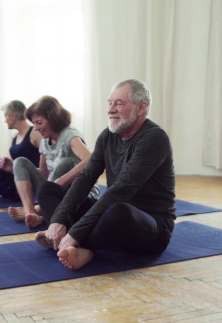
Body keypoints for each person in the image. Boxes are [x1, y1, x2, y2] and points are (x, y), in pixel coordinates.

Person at [34, 79, 176, 270]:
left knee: (119, 210)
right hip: (111, 213)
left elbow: (121, 190)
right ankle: (68, 240)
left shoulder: (154, 138)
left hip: (149, 227)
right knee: (48, 189)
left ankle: (80, 246)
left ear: (141, 107)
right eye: (110, 103)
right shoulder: (108, 136)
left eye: (119, 103)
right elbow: (86, 178)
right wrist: (58, 219)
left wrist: (75, 232)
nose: (110, 110)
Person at [9, 96, 100, 229]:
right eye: (34, 123)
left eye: (39, 123)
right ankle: (31, 213)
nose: (36, 128)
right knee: (19, 162)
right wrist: (13, 169)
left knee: (66, 163)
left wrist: (61, 181)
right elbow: (43, 173)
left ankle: (39, 211)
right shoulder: (45, 140)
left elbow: (92, 160)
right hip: (54, 193)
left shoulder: (69, 135)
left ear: (53, 119)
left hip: (82, 195)